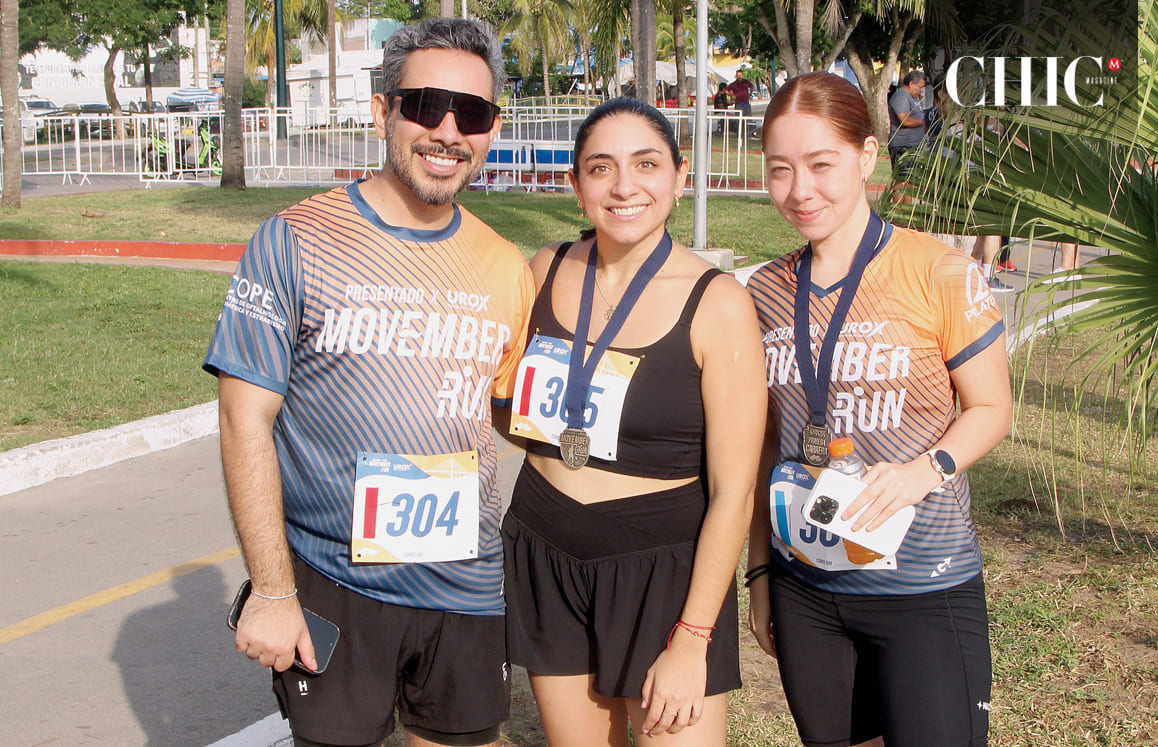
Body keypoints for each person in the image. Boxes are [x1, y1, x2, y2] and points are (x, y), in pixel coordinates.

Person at [203, 18, 533, 747]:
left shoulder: (506, 264)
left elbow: (512, 412)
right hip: (333, 582)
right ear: (383, 111)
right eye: (424, 105)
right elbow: (243, 422)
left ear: (491, 129)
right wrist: (273, 590)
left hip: (466, 588)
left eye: (471, 113)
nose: (447, 129)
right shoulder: (296, 239)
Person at [746, 72, 1012, 747]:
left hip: (924, 585)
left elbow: (991, 407)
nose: (800, 190)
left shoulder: (940, 271)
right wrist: (758, 575)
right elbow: (763, 447)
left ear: (867, 156)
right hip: (805, 588)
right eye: (781, 170)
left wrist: (928, 468)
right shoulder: (764, 291)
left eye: (821, 164)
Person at [501, 97, 767, 746]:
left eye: (646, 164)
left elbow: (735, 491)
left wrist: (693, 636)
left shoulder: (718, 303)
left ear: (680, 175)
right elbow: (503, 408)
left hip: (661, 574)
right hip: (546, 552)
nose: (624, 186)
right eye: (601, 168)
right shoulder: (544, 270)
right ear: (575, 184)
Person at [887, 70, 927, 183]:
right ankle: (898, 201)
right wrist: (923, 122)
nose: (921, 90)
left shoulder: (913, 98)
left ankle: (906, 201)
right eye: (920, 87)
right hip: (903, 146)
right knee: (902, 180)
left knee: (909, 181)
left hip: (913, 145)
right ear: (911, 84)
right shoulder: (901, 96)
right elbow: (904, 120)